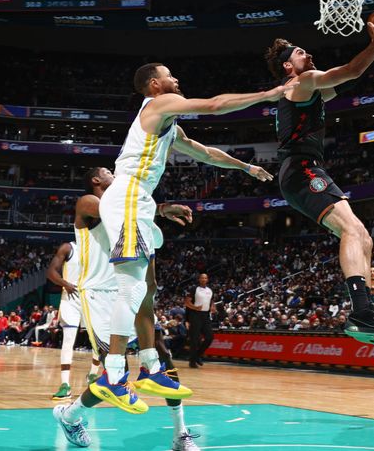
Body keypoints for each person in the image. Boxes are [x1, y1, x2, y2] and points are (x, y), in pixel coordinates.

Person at [96, 63, 288, 410]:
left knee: (148, 290)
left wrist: (245, 167)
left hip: (139, 201)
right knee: (133, 288)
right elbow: (214, 104)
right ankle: (112, 374)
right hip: (127, 197)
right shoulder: (157, 105)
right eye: (170, 75)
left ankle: (151, 366)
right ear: (155, 85)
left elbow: (206, 153)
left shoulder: (168, 125)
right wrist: (270, 95)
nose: (177, 79)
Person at [264, 19, 374, 346]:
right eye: (300, 52)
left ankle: (370, 312)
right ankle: (360, 312)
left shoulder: (308, 88)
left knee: (363, 238)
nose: (308, 54)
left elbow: (347, 79)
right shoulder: (302, 81)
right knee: (353, 232)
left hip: (308, 170)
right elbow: (352, 70)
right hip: (301, 170)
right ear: (288, 65)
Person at [55, 167, 202, 450]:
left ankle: (179, 434)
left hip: (130, 288)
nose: (114, 173)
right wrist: (158, 209)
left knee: (162, 359)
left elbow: (132, 213)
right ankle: (71, 415)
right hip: (100, 295)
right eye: (107, 172)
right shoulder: (88, 203)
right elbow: (119, 210)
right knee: (114, 374)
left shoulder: (128, 208)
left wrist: (160, 209)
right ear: (96, 180)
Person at [45, 241, 101, 400]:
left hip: (92, 298)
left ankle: (92, 375)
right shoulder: (68, 248)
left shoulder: (100, 248)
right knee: (68, 340)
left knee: (97, 340)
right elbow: (51, 272)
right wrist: (65, 283)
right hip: (71, 297)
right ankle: (65, 385)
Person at [185, 273, 214, 369]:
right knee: (194, 339)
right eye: (202, 277)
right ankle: (192, 361)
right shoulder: (194, 289)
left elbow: (211, 302)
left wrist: (213, 308)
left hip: (206, 315)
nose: (203, 279)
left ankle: (198, 355)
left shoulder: (210, 290)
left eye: (205, 278)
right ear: (199, 279)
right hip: (195, 314)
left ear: (207, 279)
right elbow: (187, 302)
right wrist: (195, 307)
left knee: (209, 337)